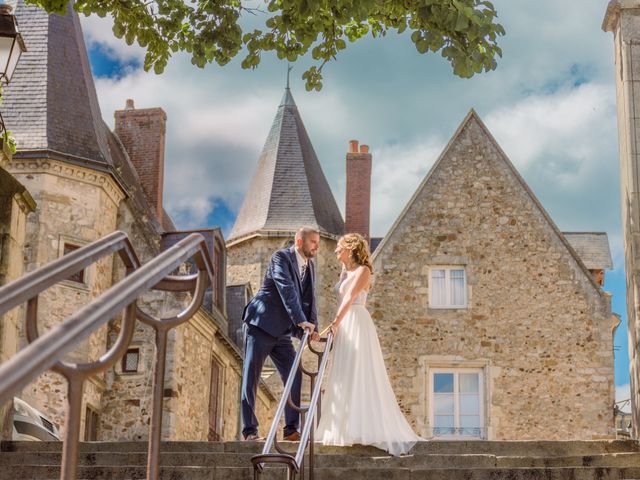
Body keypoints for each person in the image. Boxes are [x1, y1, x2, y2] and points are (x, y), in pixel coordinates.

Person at [316, 233, 422, 456]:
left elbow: (350, 297)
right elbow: (341, 297)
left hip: (355, 320)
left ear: (350, 248)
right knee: (343, 374)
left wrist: (335, 322)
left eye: (339, 247)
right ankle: (343, 428)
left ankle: (364, 428)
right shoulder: (346, 271)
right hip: (346, 324)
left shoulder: (364, 270)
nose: (336, 251)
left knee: (358, 371)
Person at [241, 226, 321, 441]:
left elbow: (309, 298)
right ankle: (250, 431)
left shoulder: (310, 266)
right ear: (299, 242)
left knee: (295, 373)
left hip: (282, 333)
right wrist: (300, 320)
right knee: (251, 377)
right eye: (313, 241)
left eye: (318, 242)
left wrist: (314, 326)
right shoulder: (280, 257)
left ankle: (291, 429)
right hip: (260, 325)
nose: (316, 246)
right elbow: (286, 288)